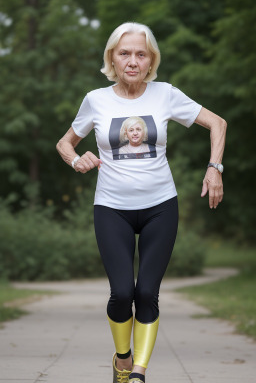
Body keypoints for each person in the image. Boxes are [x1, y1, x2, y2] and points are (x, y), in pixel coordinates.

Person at [56, 22, 227, 383]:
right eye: (124, 53)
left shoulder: (165, 94)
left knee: (147, 292)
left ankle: (137, 375)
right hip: (110, 208)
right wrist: (76, 160)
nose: (132, 61)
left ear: (151, 61)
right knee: (121, 293)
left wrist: (214, 168)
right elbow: (64, 142)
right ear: (112, 59)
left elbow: (217, 123)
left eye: (140, 54)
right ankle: (122, 358)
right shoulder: (96, 100)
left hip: (161, 206)